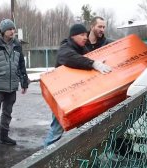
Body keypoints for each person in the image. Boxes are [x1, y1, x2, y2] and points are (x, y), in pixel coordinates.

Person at [44, 18, 113, 147]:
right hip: (62, 98)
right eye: (81, 35)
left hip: (77, 97)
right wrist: (93, 63)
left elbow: (88, 61)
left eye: (86, 35)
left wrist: (98, 63)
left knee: (86, 129)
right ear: (73, 36)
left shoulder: (83, 49)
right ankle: (43, 160)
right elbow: (71, 58)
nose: (85, 37)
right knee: (56, 131)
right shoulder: (66, 48)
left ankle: (86, 157)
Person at [0, 18, 29, 153]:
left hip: (12, 85)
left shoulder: (17, 45)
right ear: (3, 31)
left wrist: (24, 81)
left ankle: (3, 136)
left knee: (7, 113)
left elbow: (21, 65)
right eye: (9, 29)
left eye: (13, 29)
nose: (12, 31)